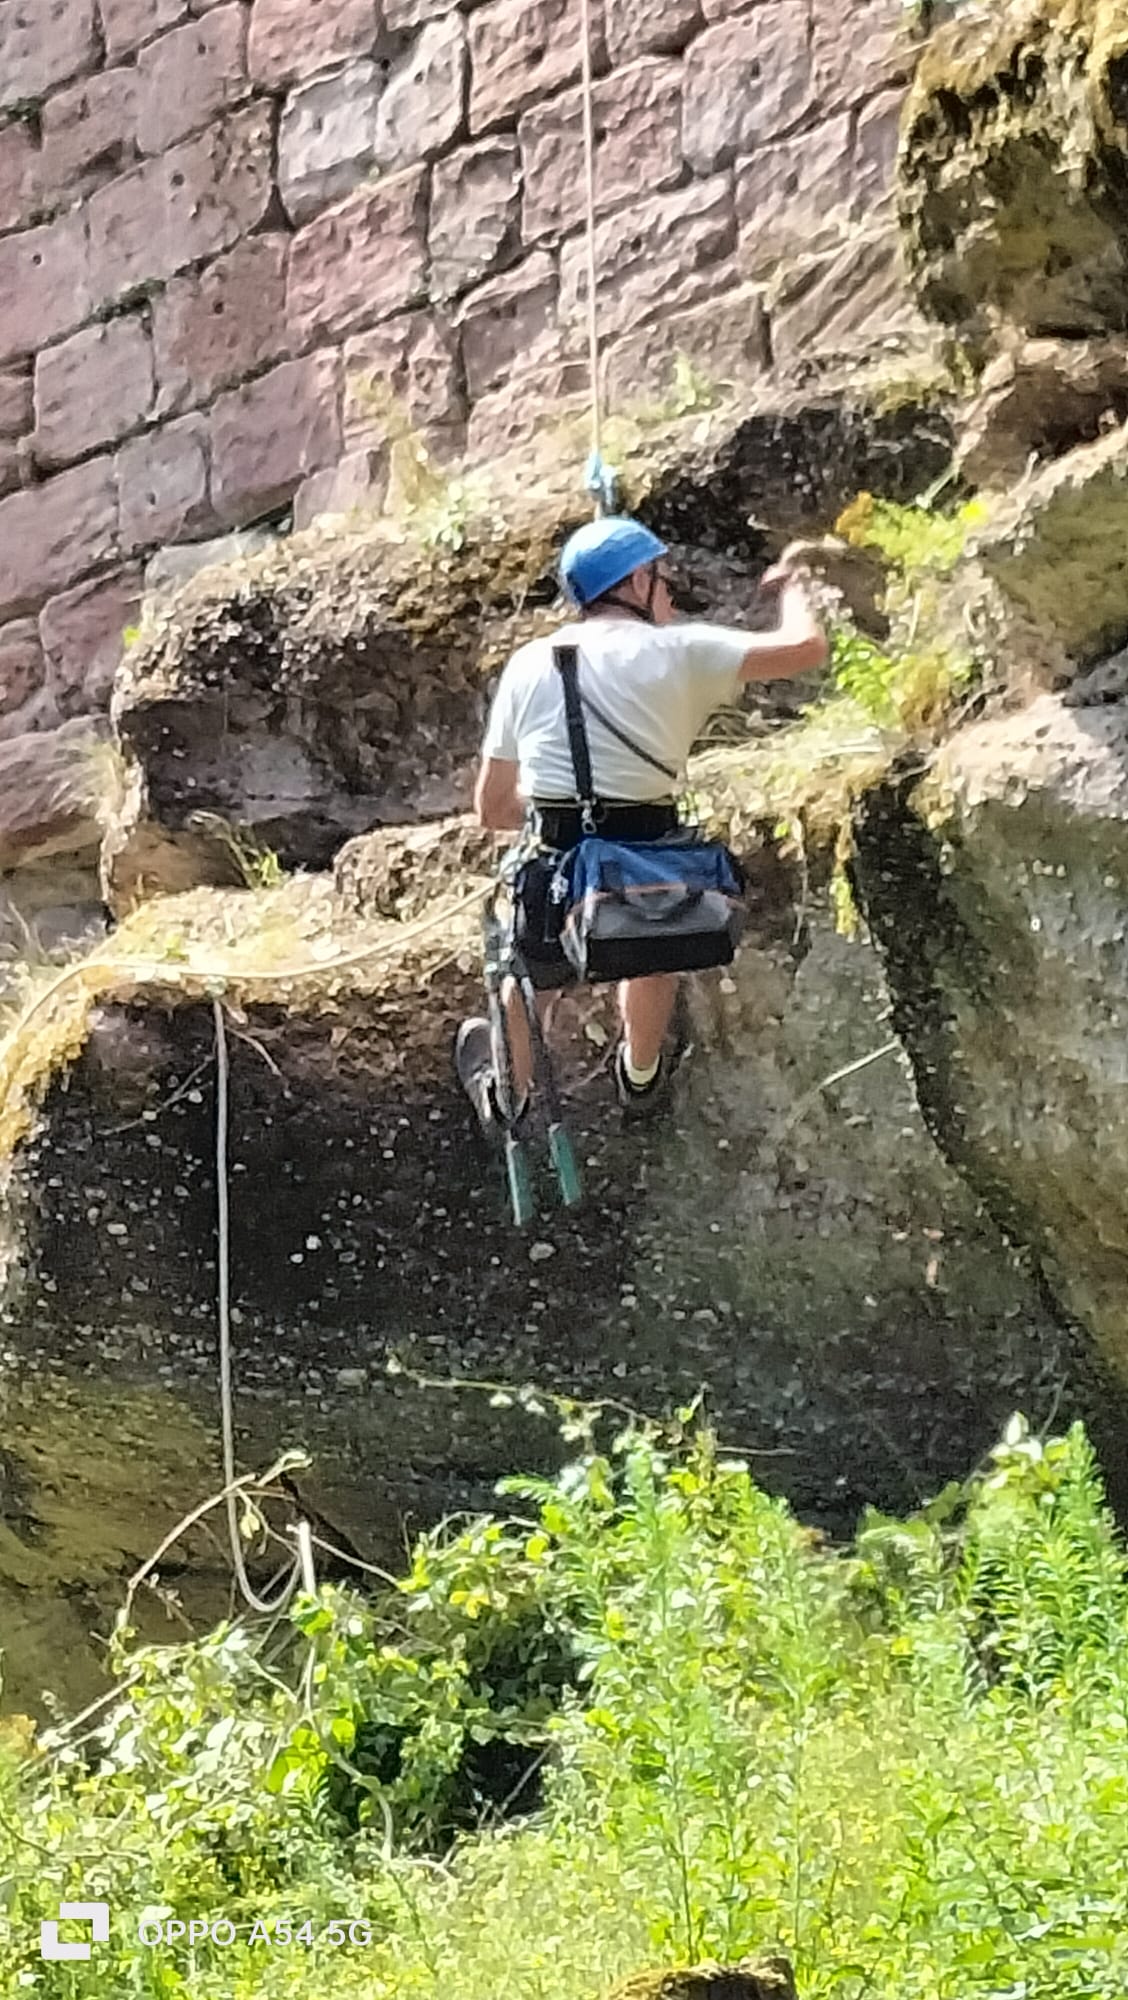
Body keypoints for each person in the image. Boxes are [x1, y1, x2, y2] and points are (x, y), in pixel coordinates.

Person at [456, 515, 828, 1126]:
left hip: (559, 864)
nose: (670, 594)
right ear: (635, 582)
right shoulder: (685, 651)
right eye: (662, 578)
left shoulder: (529, 664)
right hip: (653, 854)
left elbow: (492, 808)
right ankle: (640, 1073)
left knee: (531, 972)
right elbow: (805, 647)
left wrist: (570, 811)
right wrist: (796, 584)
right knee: (650, 932)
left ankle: (508, 1096)